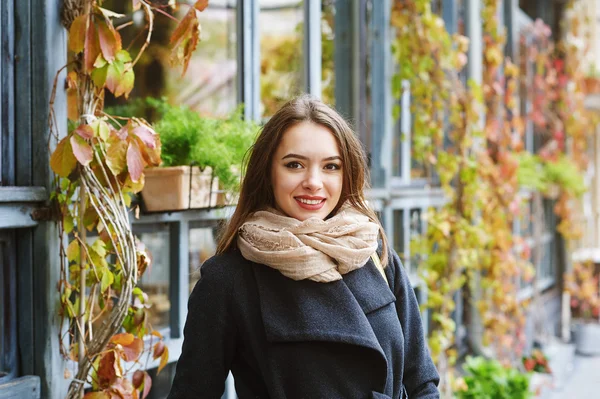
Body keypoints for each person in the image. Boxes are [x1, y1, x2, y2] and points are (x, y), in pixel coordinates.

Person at [167, 95, 440, 399]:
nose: (313, 181)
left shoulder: (373, 253)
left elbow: (421, 383)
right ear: (268, 172)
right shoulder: (229, 279)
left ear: (346, 174)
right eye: (294, 164)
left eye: (330, 166)